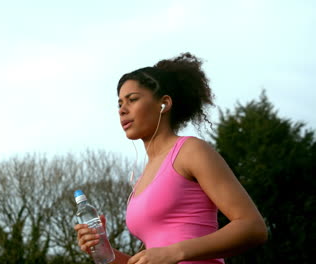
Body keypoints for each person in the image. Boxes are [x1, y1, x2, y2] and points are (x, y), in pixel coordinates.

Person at [74, 52, 268, 264]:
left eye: (133, 99)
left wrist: (175, 252)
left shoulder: (191, 151)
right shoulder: (143, 178)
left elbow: (253, 227)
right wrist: (103, 250)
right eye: (119, 104)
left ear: (164, 104)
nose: (122, 110)